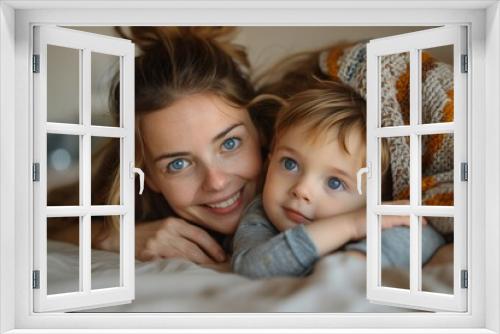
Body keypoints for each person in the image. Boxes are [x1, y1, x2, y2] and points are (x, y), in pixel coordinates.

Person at [48, 27, 272, 264]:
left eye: (230, 143)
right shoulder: (132, 199)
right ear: (147, 174)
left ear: (259, 131)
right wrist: (115, 236)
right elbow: (43, 224)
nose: (216, 182)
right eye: (178, 164)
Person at [232, 81, 445, 278]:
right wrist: (350, 225)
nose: (301, 190)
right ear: (270, 161)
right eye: (290, 164)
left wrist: (358, 259)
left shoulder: (375, 221)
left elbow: (425, 234)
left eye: (335, 182)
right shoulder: (261, 213)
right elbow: (251, 268)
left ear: (377, 200)